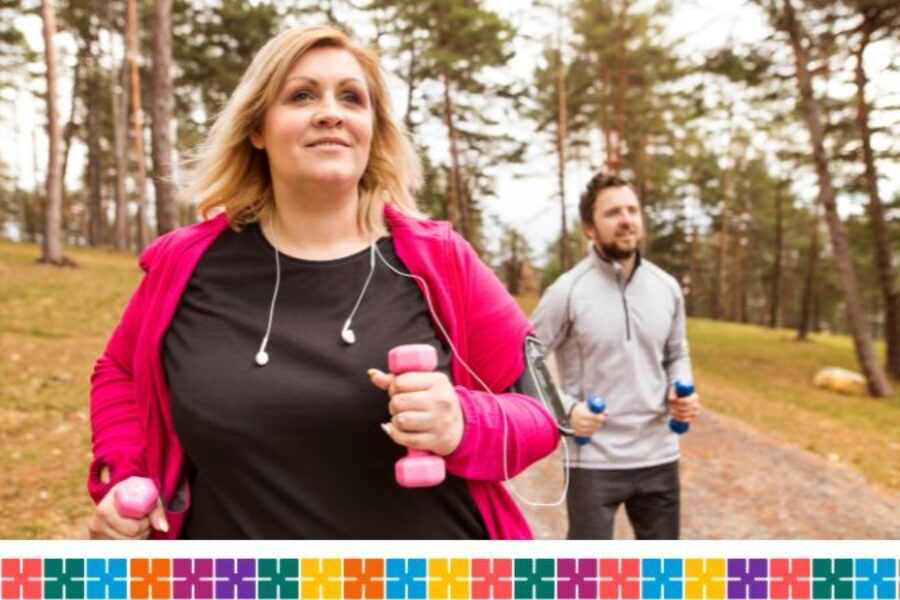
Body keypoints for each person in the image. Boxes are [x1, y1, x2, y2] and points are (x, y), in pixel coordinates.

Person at [87, 24, 559, 540]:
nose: (331, 112)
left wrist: (464, 423)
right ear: (257, 129)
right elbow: (118, 370)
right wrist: (127, 475)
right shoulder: (185, 264)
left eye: (352, 98)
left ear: (373, 130)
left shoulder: (440, 260)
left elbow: (542, 418)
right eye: (302, 95)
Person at [531, 172, 701, 540]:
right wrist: (565, 411)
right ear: (590, 228)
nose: (626, 219)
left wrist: (680, 390)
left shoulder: (667, 287)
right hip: (593, 461)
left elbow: (677, 353)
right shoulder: (566, 293)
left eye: (632, 210)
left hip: (660, 455)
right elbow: (524, 362)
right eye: (613, 213)